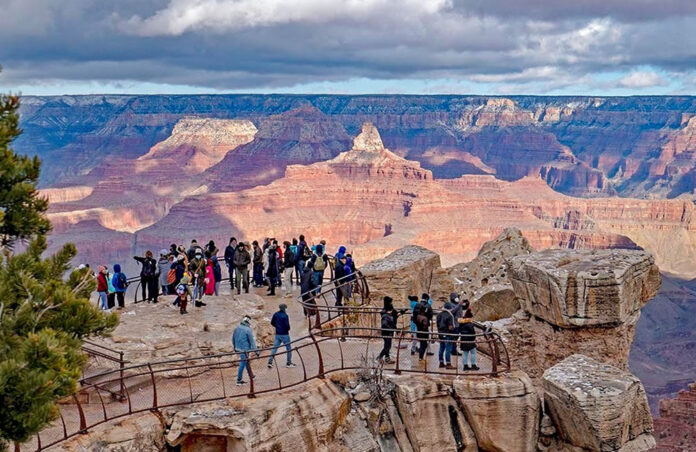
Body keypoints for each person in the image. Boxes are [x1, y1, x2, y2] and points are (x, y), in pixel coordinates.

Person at [232, 316, 259, 385]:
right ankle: (239, 380)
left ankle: (251, 375)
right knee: (243, 363)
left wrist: (235, 347)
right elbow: (252, 342)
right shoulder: (248, 330)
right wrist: (256, 351)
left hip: (238, 348)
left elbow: (233, 338)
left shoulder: (237, 327)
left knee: (246, 361)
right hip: (245, 349)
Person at [377, 297, 402, 364]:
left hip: (389, 331)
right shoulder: (385, 314)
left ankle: (387, 359)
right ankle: (380, 357)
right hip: (387, 332)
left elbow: (395, 316)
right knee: (387, 346)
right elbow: (385, 324)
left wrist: (401, 313)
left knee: (387, 346)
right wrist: (392, 328)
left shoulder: (387, 313)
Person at [412, 293, 434, 362]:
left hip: (418, 326)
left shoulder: (417, 305)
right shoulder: (428, 306)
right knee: (424, 343)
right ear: (427, 299)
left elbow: (414, 316)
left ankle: (420, 356)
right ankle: (421, 357)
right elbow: (430, 316)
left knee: (421, 341)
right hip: (424, 327)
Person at [436, 298, 457, 369]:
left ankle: (441, 362)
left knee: (441, 348)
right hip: (448, 334)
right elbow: (450, 327)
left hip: (440, 334)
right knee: (448, 349)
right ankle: (448, 363)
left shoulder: (439, 315)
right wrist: (453, 331)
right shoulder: (449, 315)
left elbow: (438, 324)